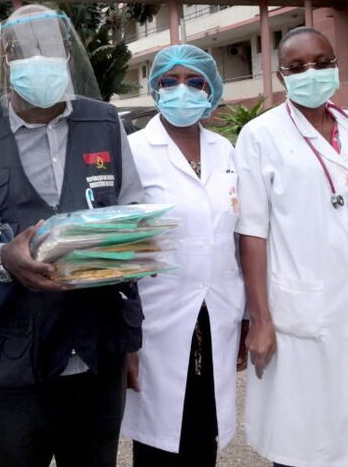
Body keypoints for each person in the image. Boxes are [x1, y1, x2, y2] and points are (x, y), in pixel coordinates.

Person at [0, 4, 144, 467]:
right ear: (6, 60)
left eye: (50, 44)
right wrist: (1, 258)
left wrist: (132, 337)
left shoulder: (104, 123)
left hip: (95, 350)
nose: (39, 56)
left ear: (68, 52)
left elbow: (133, 218)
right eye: (24, 48)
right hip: (12, 356)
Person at [235, 27, 348, 467]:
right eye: (297, 67)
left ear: (335, 65)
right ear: (281, 74)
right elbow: (251, 231)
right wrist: (260, 320)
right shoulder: (260, 135)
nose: (311, 73)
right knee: (302, 444)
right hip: (300, 307)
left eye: (321, 62)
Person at [121, 45, 246, 466]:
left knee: (203, 429)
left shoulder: (226, 152)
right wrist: (126, 339)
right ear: (154, 90)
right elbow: (119, 250)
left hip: (219, 313)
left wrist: (247, 318)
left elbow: (239, 238)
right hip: (158, 318)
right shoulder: (133, 151)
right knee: (158, 441)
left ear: (212, 91)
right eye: (169, 82)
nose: (182, 91)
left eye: (195, 82)